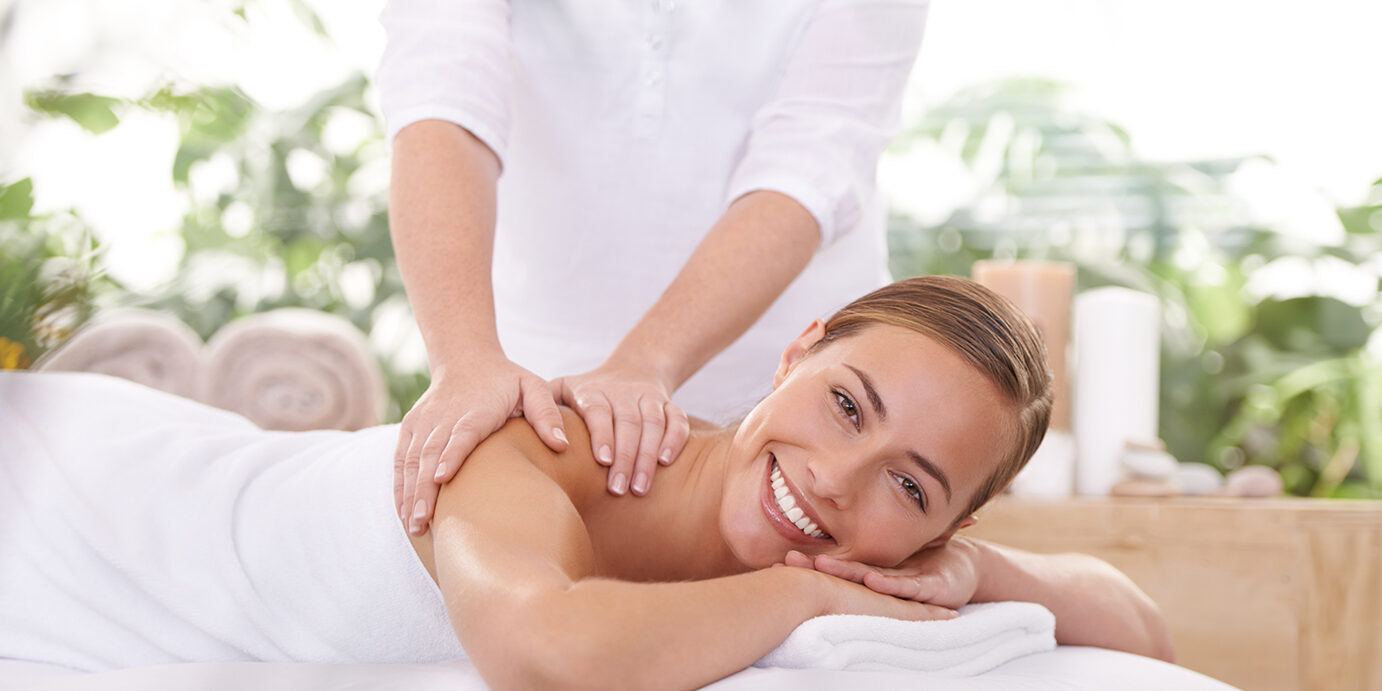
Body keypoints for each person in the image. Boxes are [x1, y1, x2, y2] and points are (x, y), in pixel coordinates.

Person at [0, 277, 1173, 688]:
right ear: (796, 349)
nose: (833, 479)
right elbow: (543, 654)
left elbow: (1138, 629)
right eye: (844, 403)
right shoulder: (547, 440)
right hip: (69, 496)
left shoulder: (904, 543)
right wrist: (809, 595)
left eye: (911, 487)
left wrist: (966, 565)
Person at [377, 0, 930, 536]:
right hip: (530, 390)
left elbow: (808, 169)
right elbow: (442, 102)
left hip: (803, 407)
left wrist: (646, 363)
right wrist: (466, 359)